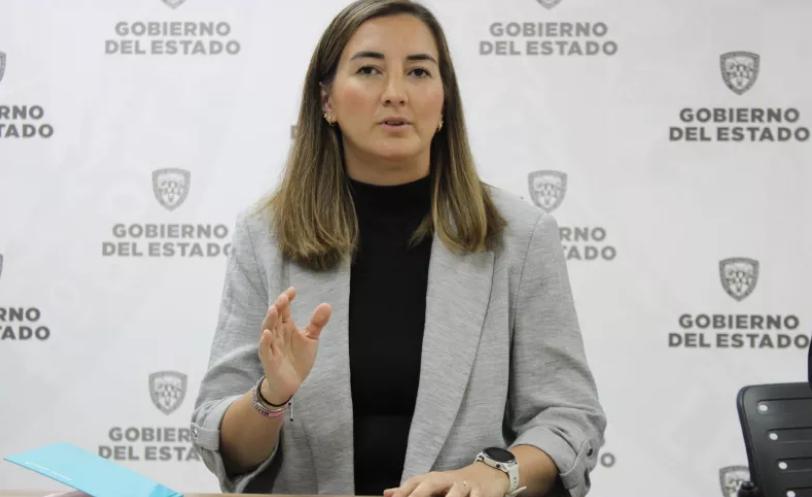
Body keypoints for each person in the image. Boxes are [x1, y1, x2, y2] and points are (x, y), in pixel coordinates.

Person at [190, 1, 607, 496]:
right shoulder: (265, 235)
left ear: (444, 102)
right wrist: (271, 397)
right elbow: (224, 445)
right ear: (326, 100)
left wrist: (492, 475)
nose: (395, 93)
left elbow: (568, 418)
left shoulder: (521, 235)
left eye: (418, 71)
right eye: (369, 70)